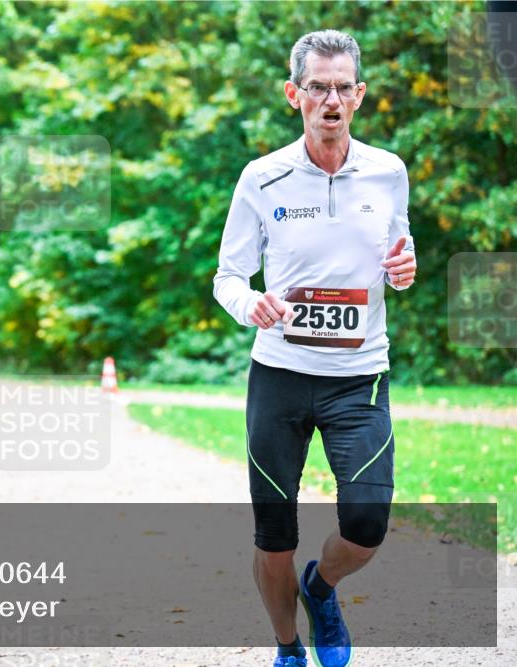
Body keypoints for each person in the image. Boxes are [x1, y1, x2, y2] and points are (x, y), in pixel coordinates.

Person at [212, 29, 417, 667]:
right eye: (316, 87)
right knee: (274, 534)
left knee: (367, 525)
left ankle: (320, 587)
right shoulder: (262, 178)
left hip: (360, 378)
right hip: (280, 375)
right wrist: (253, 304)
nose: (330, 99)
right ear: (293, 94)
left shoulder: (388, 172)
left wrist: (402, 270)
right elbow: (228, 278)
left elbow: (396, 256)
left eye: (341, 88)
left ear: (359, 96)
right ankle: (287, 648)